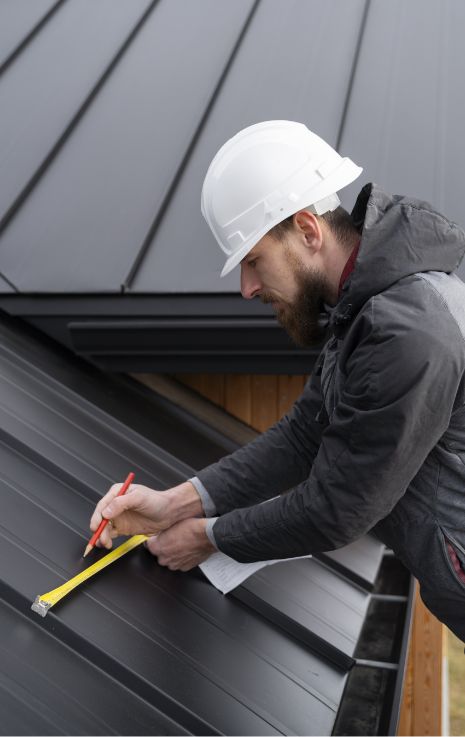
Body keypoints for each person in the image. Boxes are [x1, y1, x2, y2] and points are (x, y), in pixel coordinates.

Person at [90, 121, 465, 641]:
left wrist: (209, 537)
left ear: (308, 231)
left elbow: (339, 508)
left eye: (253, 261)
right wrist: (174, 503)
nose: (247, 288)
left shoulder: (407, 330)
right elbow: (302, 436)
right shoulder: (365, 305)